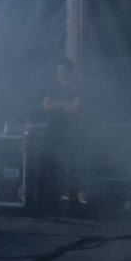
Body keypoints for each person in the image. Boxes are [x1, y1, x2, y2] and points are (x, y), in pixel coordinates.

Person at [38, 57, 85, 216]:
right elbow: (45, 105)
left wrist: (56, 105)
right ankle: (52, 200)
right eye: (58, 69)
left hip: (71, 132)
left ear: (69, 70)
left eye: (62, 69)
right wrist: (64, 104)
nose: (60, 72)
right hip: (53, 131)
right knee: (51, 165)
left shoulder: (77, 87)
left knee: (72, 166)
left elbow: (75, 108)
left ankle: (73, 201)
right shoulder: (52, 87)